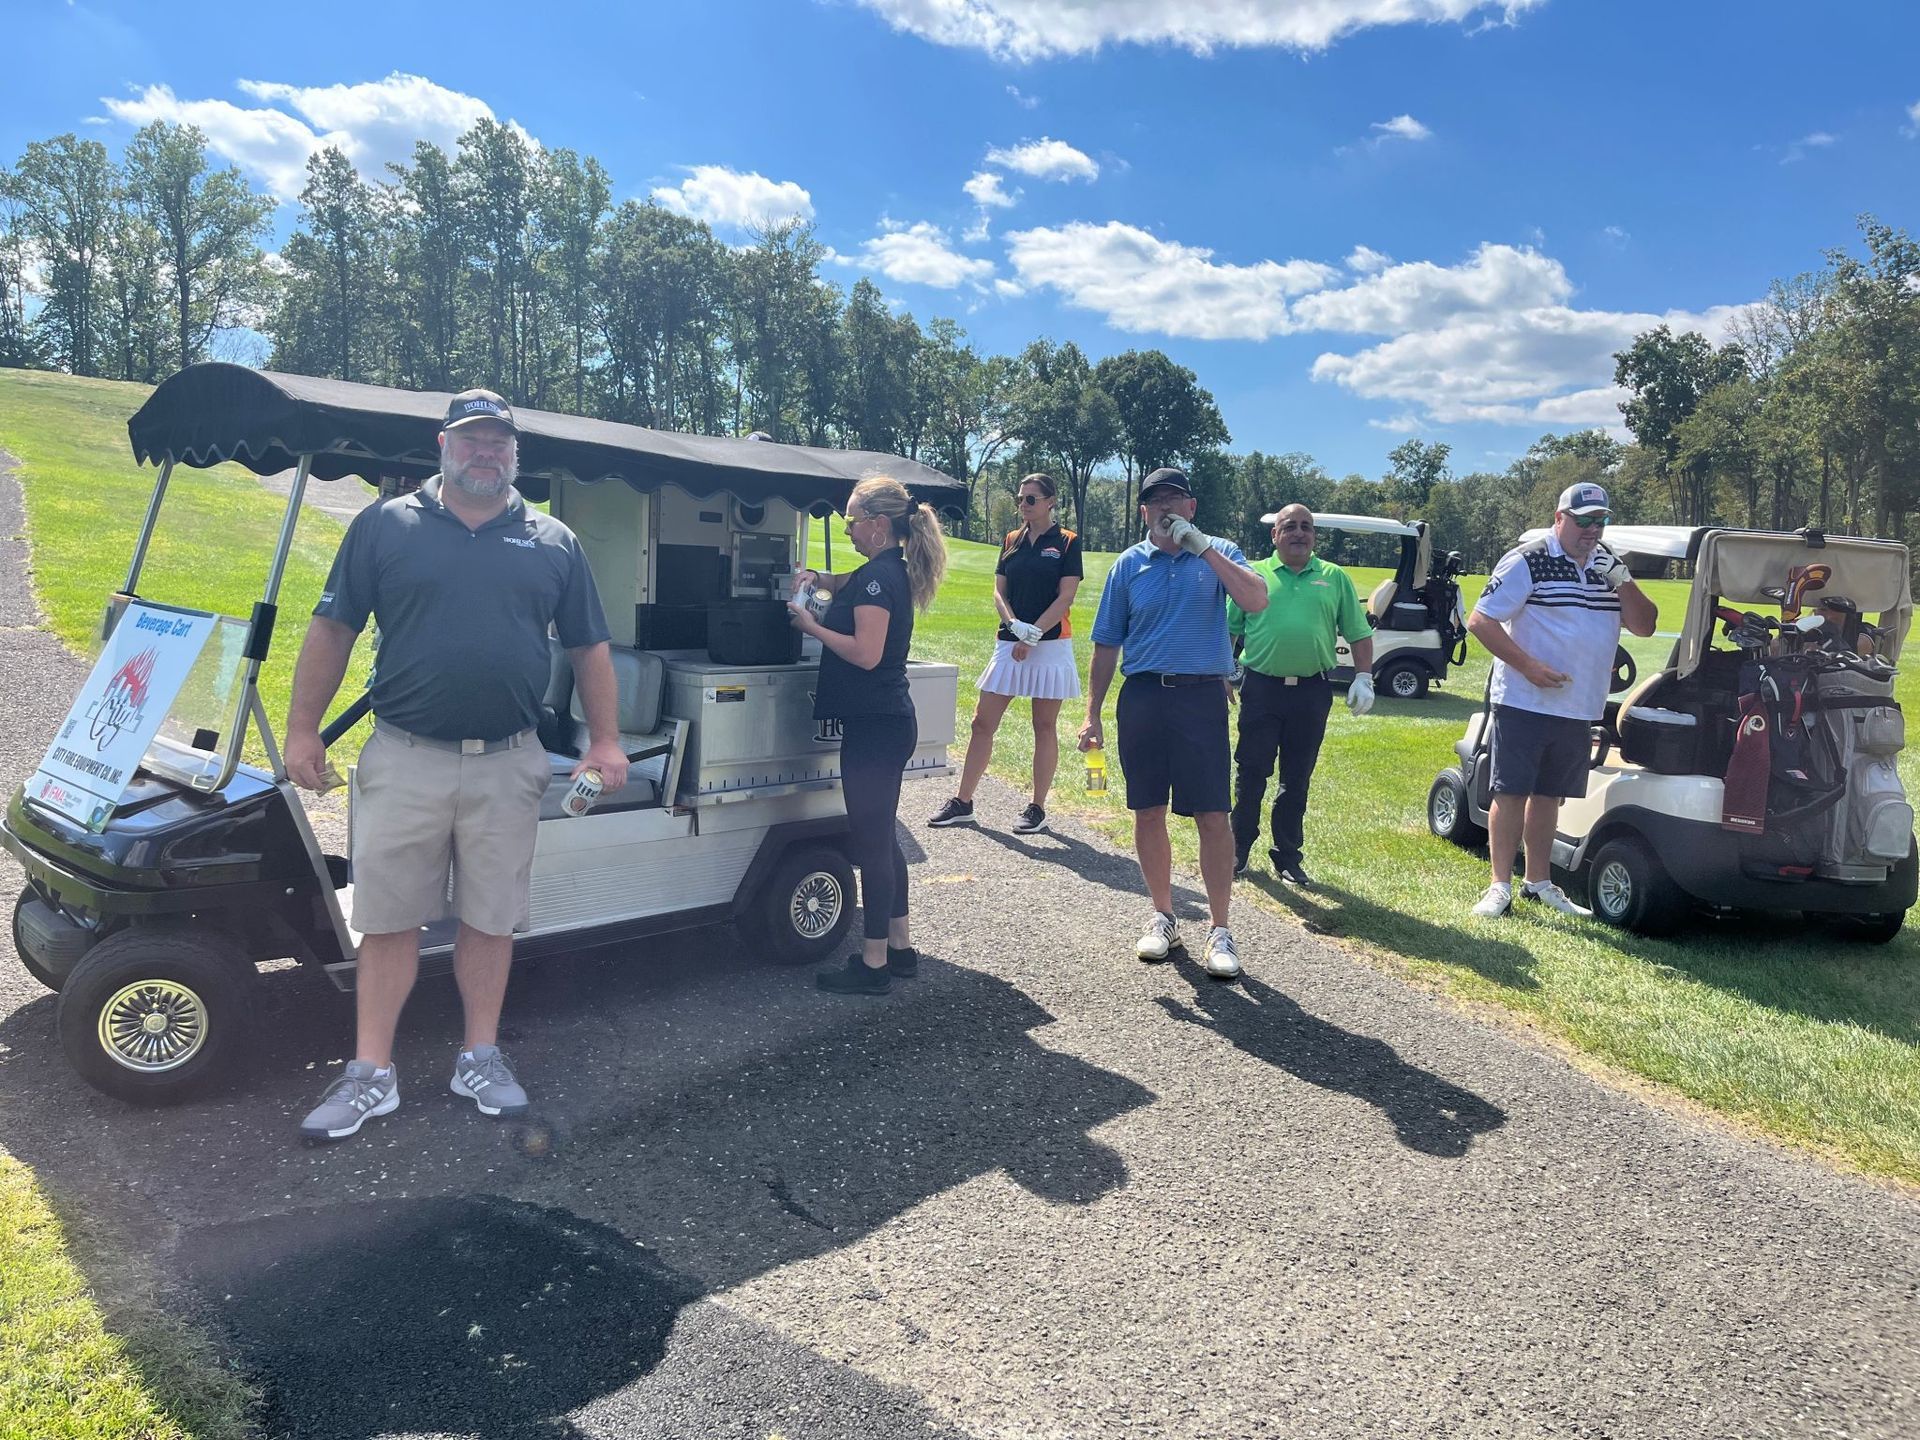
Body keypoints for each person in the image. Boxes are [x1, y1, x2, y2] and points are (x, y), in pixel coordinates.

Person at [284, 389, 629, 1142]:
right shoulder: (386, 526)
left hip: (508, 763)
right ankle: (371, 1074)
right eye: (472, 439)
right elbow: (333, 627)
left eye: (499, 442)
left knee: (491, 917)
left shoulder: (553, 541)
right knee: (389, 920)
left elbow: (588, 646)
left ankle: (479, 1055)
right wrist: (303, 729)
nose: (486, 452)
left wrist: (605, 741)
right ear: (443, 445)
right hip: (404, 757)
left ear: (515, 453)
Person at [1078, 467, 1271, 981]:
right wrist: (1092, 712)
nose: (1164, 508)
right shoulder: (1129, 564)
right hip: (1142, 695)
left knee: (1211, 813)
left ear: (1190, 507)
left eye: (1174, 499)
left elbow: (1255, 600)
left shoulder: (1220, 551)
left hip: (1200, 696)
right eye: (1154, 501)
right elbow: (1106, 643)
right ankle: (1164, 916)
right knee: (1147, 810)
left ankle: (1220, 928)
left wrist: (1201, 547)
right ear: (1143, 512)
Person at [1466, 481, 1657, 918]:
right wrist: (1529, 666)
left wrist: (1622, 578)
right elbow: (1481, 621)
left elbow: (1645, 625)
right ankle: (1500, 886)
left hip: (1578, 704)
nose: (1592, 530)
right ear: (1559, 518)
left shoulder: (1609, 568)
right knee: (1511, 792)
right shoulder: (1527, 560)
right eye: (1583, 520)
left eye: (1601, 521)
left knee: (1550, 796)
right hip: (1523, 700)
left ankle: (1539, 882)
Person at [788, 475, 948, 995]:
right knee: (881, 837)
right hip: (886, 721)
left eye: (852, 521)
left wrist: (810, 626)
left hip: (876, 727)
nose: (849, 528)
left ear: (879, 526)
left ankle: (873, 963)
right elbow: (852, 584)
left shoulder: (881, 578)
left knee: (871, 843)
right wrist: (822, 578)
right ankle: (899, 948)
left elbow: (866, 652)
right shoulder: (883, 569)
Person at [1228, 503, 1375, 886]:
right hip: (1261, 687)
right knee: (1252, 770)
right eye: (1289, 526)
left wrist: (1364, 676)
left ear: (1314, 535)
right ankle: (1237, 849)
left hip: (1311, 691)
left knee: (1297, 777)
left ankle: (1288, 856)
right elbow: (1229, 627)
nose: (1298, 533)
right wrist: (1221, 674)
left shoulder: (1333, 577)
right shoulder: (1254, 574)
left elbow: (1358, 631)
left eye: (1306, 527)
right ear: (1274, 535)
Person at [929, 473, 1083, 836]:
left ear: (1050, 501)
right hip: (1009, 639)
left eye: (1031, 499)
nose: (1023, 506)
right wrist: (1014, 625)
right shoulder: (1011, 540)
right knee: (982, 722)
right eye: (1020, 499)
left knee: (1043, 725)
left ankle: (1038, 807)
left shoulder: (1067, 542)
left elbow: (1066, 596)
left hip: (1049, 643)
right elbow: (1000, 591)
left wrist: (1033, 634)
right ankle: (963, 802)